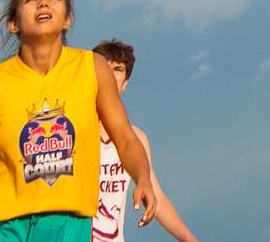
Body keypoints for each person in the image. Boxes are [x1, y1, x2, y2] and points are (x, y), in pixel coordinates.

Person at [0, 0, 165, 242]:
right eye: (31, 0)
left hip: (69, 226)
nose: (43, 4)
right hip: (3, 229)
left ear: (67, 19)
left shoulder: (92, 70)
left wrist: (142, 179)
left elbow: (126, 139)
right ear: (13, 23)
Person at [85, 39, 200, 242]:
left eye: (118, 69)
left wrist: (189, 239)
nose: (110, 75)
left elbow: (157, 200)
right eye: (105, 68)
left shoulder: (136, 138)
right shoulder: (74, 131)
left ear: (125, 82)